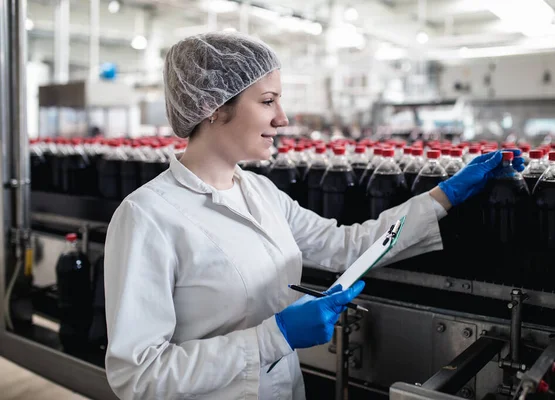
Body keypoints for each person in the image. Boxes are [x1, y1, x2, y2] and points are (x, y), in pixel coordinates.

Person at [103, 32, 525, 400]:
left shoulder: (260, 191)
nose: (282, 119)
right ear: (213, 107)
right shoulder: (148, 216)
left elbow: (347, 246)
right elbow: (137, 375)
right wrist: (275, 337)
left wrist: (444, 195)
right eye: (268, 101)